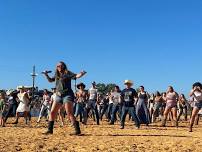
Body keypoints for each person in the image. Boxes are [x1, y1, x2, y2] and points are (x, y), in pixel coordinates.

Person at [42, 61, 86, 135]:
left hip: (67, 95)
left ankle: (77, 130)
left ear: (64, 66)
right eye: (57, 66)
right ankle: (50, 130)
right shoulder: (56, 74)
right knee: (52, 112)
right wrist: (46, 75)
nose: (59, 67)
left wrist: (81, 74)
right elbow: (50, 80)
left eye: (60, 66)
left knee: (69, 113)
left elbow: (76, 76)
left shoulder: (67, 73)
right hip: (58, 95)